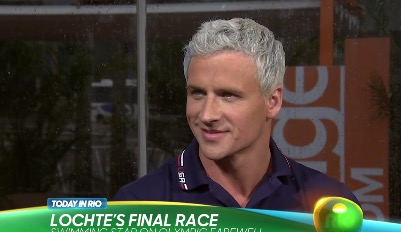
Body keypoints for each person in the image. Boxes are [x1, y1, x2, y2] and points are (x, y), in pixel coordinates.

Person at [113, 18, 359, 212]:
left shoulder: (330, 205)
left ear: (272, 102)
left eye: (228, 95)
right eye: (197, 93)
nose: (207, 115)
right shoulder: (139, 206)